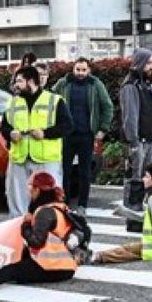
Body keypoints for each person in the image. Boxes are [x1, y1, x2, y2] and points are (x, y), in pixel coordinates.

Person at [0, 172, 80, 291]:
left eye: (31, 188)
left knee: (11, 270)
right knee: (20, 262)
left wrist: (26, 225)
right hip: (67, 266)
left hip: (50, 267)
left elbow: (36, 242)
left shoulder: (44, 212)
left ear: (37, 190)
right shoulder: (60, 207)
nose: (29, 192)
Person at [1, 65, 73, 217]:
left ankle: (49, 230)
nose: (16, 85)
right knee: (17, 202)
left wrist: (45, 133)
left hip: (46, 159)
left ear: (31, 81)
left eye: (19, 81)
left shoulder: (55, 101)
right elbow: (4, 127)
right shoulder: (12, 103)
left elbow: (67, 126)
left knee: (49, 200)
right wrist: (10, 134)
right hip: (19, 158)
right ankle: (20, 232)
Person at [90, 163, 152, 264]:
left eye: (146, 176)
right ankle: (97, 256)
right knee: (127, 249)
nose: (143, 179)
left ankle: (96, 257)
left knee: (125, 251)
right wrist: (126, 212)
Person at [51, 57, 112, 214]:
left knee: (85, 172)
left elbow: (107, 106)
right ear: (73, 69)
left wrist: (103, 129)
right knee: (64, 170)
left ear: (88, 70)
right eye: (78, 69)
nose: (80, 73)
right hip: (67, 134)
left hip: (86, 134)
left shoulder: (95, 84)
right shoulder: (63, 84)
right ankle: (64, 203)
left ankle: (82, 205)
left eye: (83, 70)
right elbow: (50, 101)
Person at [118, 48, 152, 208]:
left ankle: (137, 208)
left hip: (147, 138)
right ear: (139, 63)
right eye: (148, 63)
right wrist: (133, 141)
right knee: (135, 177)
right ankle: (131, 209)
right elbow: (130, 116)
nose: (151, 67)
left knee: (143, 177)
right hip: (138, 140)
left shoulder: (143, 84)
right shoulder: (131, 85)